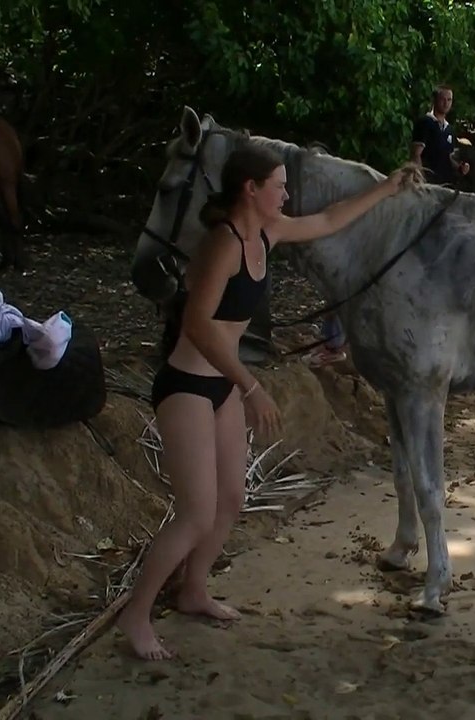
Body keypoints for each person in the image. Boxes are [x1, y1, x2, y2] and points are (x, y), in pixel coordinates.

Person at [116, 143, 416, 660]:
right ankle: (135, 614)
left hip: (223, 385)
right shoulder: (223, 244)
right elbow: (197, 325)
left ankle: (193, 590)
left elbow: (327, 219)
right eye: (278, 185)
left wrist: (388, 186)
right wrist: (251, 386)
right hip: (187, 384)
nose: (287, 193)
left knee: (232, 498)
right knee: (194, 513)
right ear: (250, 190)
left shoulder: (268, 233)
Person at [410, 85, 471, 187]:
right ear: (434, 100)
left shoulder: (449, 129)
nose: (446, 103)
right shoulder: (425, 123)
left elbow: (449, 158)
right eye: (443, 99)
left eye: (449, 100)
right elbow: (416, 154)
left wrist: (460, 168)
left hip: (446, 186)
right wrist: (421, 180)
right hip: (428, 184)